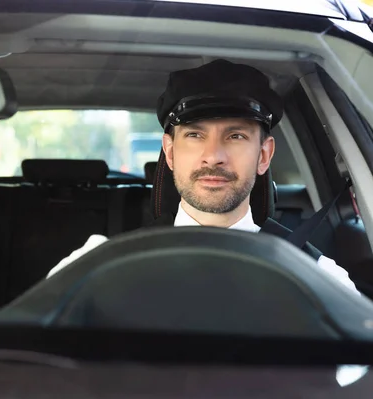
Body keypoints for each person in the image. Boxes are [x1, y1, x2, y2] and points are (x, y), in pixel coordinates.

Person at [47, 59, 357, 294]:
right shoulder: (99, 265)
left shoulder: (318, 278)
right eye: (195, 135)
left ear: (263, 155)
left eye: (235, 136)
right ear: (169, 153)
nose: (213, 155)